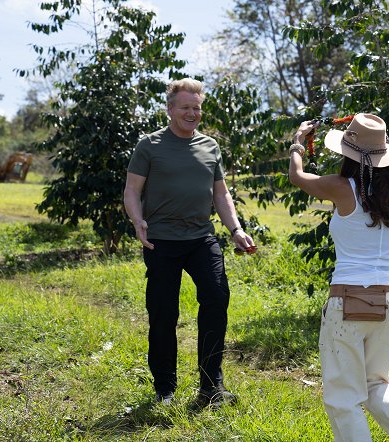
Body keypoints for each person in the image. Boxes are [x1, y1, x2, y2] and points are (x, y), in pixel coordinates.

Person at [288, 114, 389, 442]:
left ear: (348, 155)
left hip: (348, 300)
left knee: (342, 398)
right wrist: (373, 138)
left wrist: (299, 140)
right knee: (375, 382)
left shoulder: (341, 188)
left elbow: (296, 176)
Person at [124, 77, 256, 409]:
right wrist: (138, 220)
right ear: (170, 109)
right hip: (161, 241)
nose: (192, 113)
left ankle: (211, 386)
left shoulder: (210, 146)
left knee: (216, 298)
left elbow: (221, 193)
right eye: (185, 107)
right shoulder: (150, 145)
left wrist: (236, 230)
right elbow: (132, 191)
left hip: (201, 237)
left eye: (196, 108)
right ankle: (165, 388)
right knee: (163, 313)